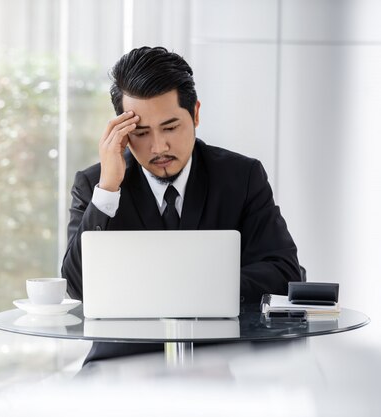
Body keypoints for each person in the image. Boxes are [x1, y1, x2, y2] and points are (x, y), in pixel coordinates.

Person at [61, 46, 301, 365]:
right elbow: (77, 287)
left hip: (215, 361)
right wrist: (108, 188)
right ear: (122, 130)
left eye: (171, 127)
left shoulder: (241, 177)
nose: (158, 147)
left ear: (196, 114)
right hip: (119, 366)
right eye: (141, 133)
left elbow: (284, 272)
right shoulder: (95, 185)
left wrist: (197, 288)